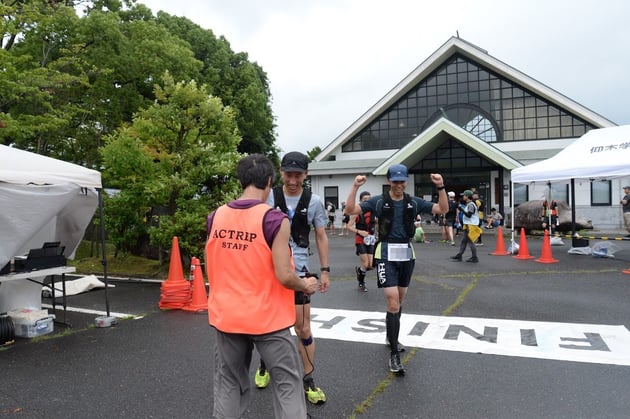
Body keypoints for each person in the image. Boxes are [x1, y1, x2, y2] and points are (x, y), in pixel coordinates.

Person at [204, 154, 319, 419]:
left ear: (241, 179)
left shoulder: (215, 217)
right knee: (287, 383)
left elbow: (212, 267)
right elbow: (284, 275)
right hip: (268, 319)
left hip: (228, 317)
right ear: (270, 181)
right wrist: (306, 285)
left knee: (228, 382)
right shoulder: (274, 220)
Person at [344, 164, 448, 375]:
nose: (398, 185)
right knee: (392, 301)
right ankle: (394, 354)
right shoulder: (379, 201)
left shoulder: (413, 202)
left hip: (406, 253)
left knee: (399, 302)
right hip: (385, 251)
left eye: (402, 181)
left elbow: (442, 210)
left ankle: (391, 336)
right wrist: (355, 187)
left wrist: (440, 187)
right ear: (389, 181)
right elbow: (350, 210)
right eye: (395, 181)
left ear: (406, 181)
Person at [254, 151, 330, 405]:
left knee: (303, 327)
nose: (293, 180)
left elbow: (320, 235)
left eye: (298, 175)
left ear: (306, 175)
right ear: (281, 172)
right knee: (269, 326)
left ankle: (309, 380)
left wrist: (326, 270)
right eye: (288, 174)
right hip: (270, 271)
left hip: (300, 274)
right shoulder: (269, 196)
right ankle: (264, 365)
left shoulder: (314, 201)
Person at [347, 191, 376, 291]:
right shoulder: (357, 211)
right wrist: (360, 231)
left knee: (371, 265)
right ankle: (361, 283)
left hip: (371, 239)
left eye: (369, 199)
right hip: (360, 239)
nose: (367, 201)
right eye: (365, 200)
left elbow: (376, 223)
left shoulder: (374, 210)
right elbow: (349, 226)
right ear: (360, 201)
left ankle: (359, 271)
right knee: (365, 264)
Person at [450, 190, 481, 263]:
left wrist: (462, 209)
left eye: (464, 195)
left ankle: (474, 257)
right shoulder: (470, 204)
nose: (463, 197)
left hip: (471, 225)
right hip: (468, 225)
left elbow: (469, 215)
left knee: (470, 242)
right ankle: (459, 255)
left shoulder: (470, 204)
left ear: (467, 196)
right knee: (463, 241)